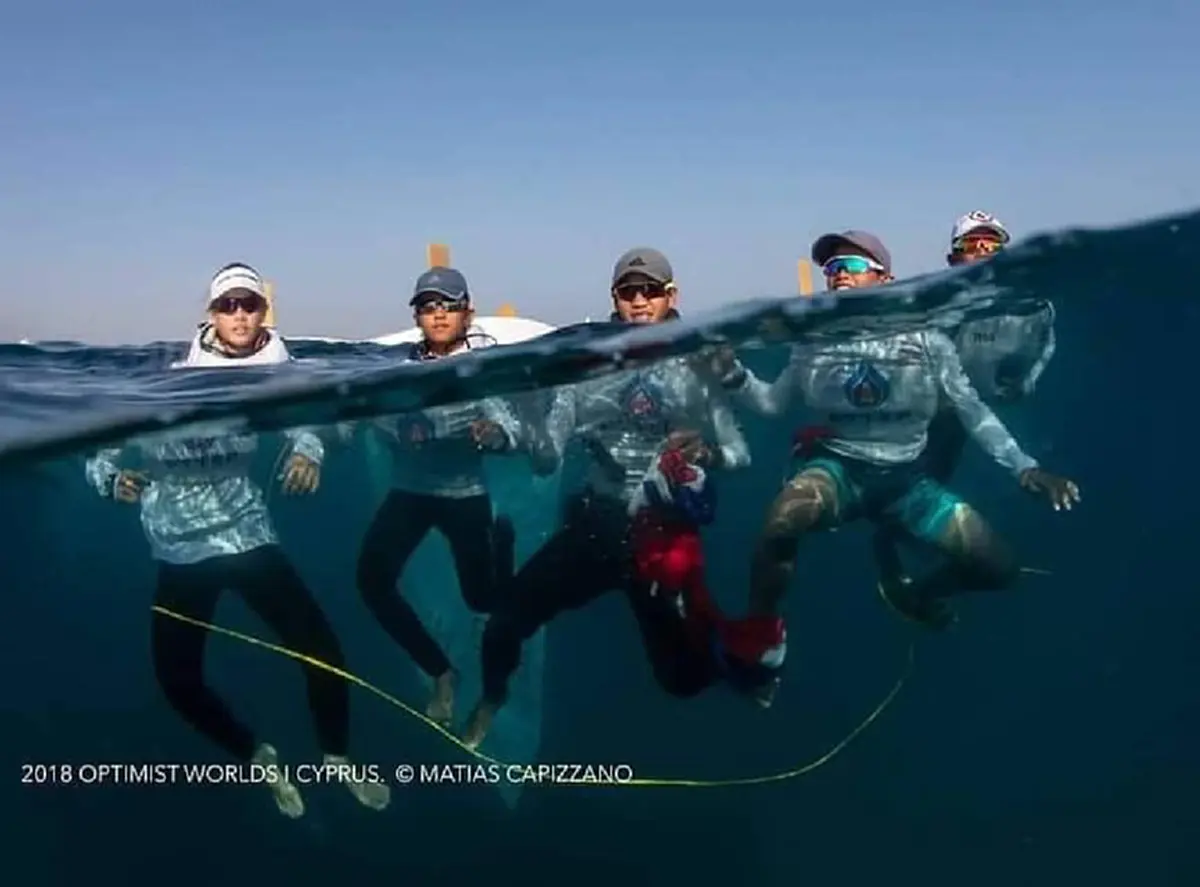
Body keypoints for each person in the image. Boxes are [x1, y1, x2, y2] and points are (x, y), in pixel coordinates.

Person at [84, 263, 389, 819]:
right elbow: (99, 450)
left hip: (248, 536)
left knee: (324, 652)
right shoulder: (170, 376)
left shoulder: (278, 369)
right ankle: (256, 754)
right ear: (212, 314)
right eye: (229, 305)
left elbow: (310, 420)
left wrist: (309, 451)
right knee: (177, 683)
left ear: (263, 311)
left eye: (250, 304)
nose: (241, 314)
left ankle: (338, 757)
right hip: (179, 549)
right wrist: (110, 480)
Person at [725, 231, 1079, 705]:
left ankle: (917, 595)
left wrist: (1025, 468)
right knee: (779, 523)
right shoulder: (812, 341)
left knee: (1000, 568)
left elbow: (971, 409)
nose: (839, 277)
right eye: (832, 269)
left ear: (885, 278)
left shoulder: (927, 339)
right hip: (838, 470)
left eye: (852, 266)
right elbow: (771, 403)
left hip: (908, 483)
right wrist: (733, 375)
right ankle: (763, 640)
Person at [462, 247, 772, 749]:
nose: (639, 300)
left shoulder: (695, 361)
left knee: (681, 682)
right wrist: (514, 426)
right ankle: (492, 699)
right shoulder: (589, 365)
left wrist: (707, 453)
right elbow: (548, 457)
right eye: (629, 291)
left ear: (672, 295)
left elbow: (741, 454)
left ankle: (743, 664)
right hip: (596, 526)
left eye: (650, 290)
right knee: (502, 626)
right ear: (614, 298)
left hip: (662, 534)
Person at [353, 266, 528, 728]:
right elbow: (359, 413)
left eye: (448, 306)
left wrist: (495, 435)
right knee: (371, 582)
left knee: (482, 600)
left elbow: (510, 426)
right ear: (416, 316)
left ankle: (502, 547)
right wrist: (312, 447)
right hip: (409, 492)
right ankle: (441, 672)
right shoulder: (397, 370)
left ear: (468, 312)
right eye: (428, 306)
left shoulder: (481, 368)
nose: (438, 314)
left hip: (464, 495)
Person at [871, 211, 1059, 599]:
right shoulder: (939, 312)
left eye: (994, 245)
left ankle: (904, 566)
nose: (986, 253)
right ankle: (893, 558)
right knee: (902, 495)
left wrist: (1026, 381)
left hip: (959, 418)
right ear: (954, 260)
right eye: (974, 245)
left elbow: (1045, 341)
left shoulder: (1033, 307)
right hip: (920, 419)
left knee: (926, 491)